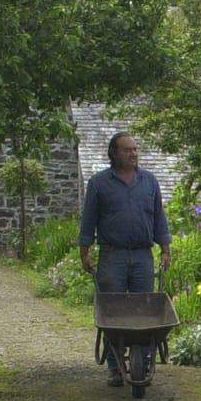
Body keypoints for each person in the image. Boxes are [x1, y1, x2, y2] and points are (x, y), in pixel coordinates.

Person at [79, 132, 172, 387]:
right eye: (127, 150)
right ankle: (115, 367)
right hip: (113, 254)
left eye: (135, 149)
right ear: (114, 153)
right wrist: (84, 252)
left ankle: (145, 360)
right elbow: (88, 220)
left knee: (145, 312)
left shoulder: (149, 182)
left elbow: (159, 218)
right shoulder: (99, 184)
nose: (133, 154)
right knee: (113, 312)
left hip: (143, 254)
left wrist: (165, 249)